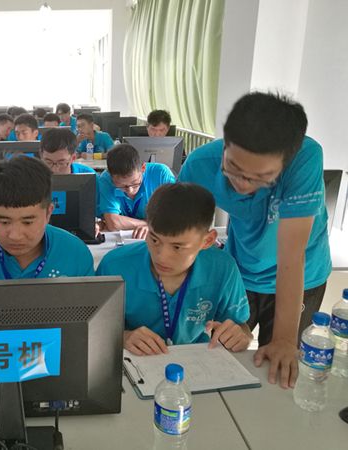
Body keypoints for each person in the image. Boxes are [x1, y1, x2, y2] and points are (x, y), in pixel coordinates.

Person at [178, 92, 332, 389]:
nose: (242, 183)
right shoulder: (200, 165)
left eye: (260, 177)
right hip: (241, 271)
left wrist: (285, 340)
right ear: (225, 144)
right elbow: (181, 234)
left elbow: (292, 256)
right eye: (233, 168)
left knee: (282, 370)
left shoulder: (305, 158)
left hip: (302, 277)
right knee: (220, 355)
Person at [97, 183, 252, 354]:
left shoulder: (223, 268)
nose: (161, 257)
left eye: (177, 247)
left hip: (196, 357)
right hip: (134, 357)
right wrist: (122, 337)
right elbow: (94, 329)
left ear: (207, 241)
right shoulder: (114, 266)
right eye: (154, 239)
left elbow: (241, 326)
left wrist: (241, 336)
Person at [0, 156, 95, 281]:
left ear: (48, 213)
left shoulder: (75, 253)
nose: (15, 235)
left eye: (28, 222)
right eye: (4, 222)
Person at [99, 144, 175, 239]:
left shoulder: (161, 174)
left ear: (143, 168)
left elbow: (174, 216)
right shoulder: (106, 180)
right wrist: (150, 225)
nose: (130, 191)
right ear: (110, 175)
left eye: (135, 183)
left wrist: (153, 227)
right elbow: (113, 222)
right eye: (121, 186)